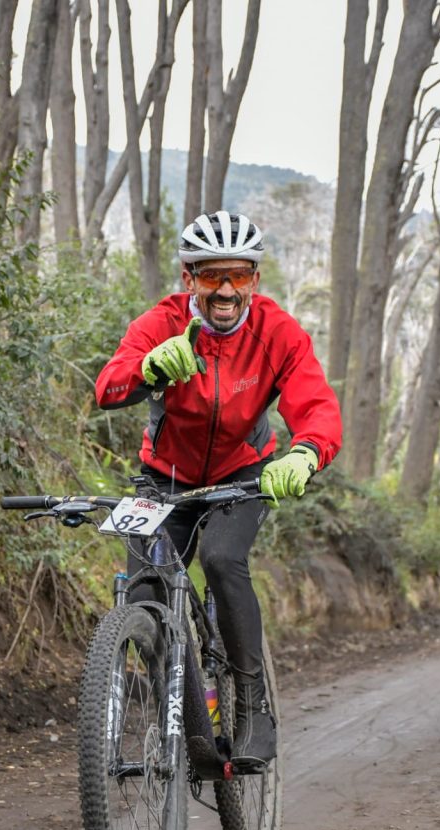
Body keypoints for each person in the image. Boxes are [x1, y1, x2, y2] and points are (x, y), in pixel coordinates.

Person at [95, 210, 342, 766]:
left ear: (255, 279)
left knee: (222, 558)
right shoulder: (160, 323)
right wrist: (148, 369)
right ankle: (183, 710)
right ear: (189, 278)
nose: (226, 290)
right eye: (211, 276)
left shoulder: (276, 332)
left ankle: (252, 706)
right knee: (144, 590)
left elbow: (317, 406)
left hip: (242, 473)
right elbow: (107, 387)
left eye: (239, 275)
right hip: (164, 477)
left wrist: (305, 452)